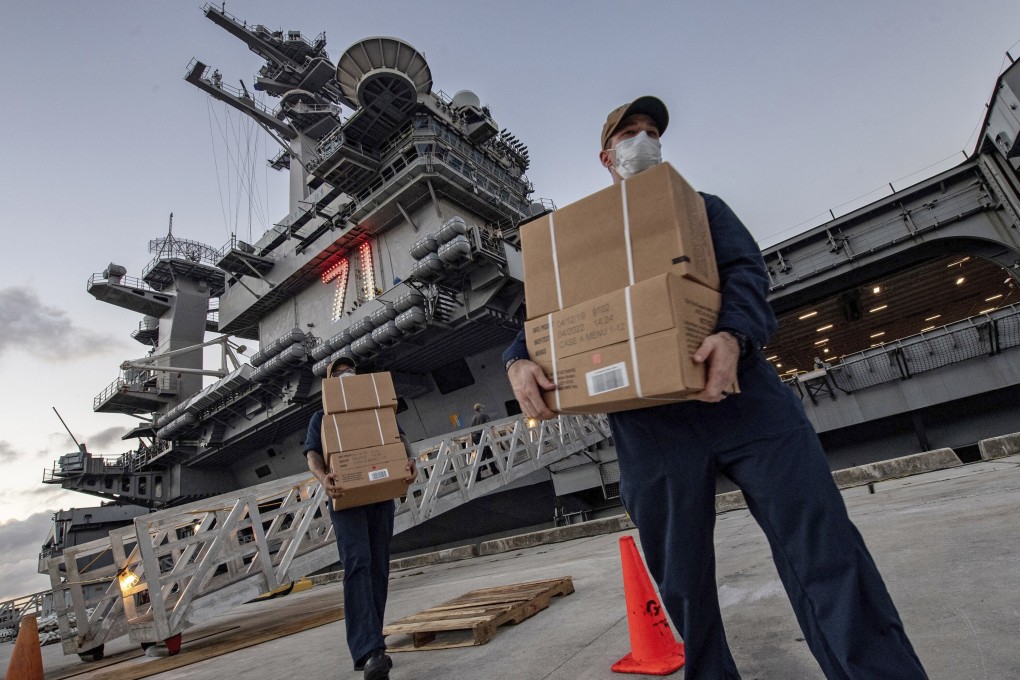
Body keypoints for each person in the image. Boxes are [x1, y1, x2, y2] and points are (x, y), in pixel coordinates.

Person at [502, 97, 928, 680]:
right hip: (649, 425)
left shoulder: (702, 209)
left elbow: (748, 273)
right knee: (683, 582)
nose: (645, 140)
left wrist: (733, 335)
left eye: (653, 131)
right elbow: (545, 315)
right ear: (606, 156)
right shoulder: (580, 237)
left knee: (825, 549)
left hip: (742, 397)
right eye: (632, 132)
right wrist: (515, 363)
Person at [303, 355, 418, 680]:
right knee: (358, 564)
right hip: (347, 498)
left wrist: (410, 462)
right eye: (339, 374)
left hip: (380, 497)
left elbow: (400, 441)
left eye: (350, 372)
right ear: (329, 383)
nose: (346, 376)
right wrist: (323, 478)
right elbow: (312, 452)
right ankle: (369, 650)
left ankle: (371, 641)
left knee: (379, 566)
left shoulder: (379, 411)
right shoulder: (322, 417)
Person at [469, 403, 498, 479]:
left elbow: (471, 431)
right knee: (484, 454)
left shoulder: (473, 418)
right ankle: (477, 475)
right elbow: (491, 427)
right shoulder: (485, 416)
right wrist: (495, 438)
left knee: (487, 453)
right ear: (481, 409)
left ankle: (494, 470)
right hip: (480, 436)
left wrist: (471, 444)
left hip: (475, 437)